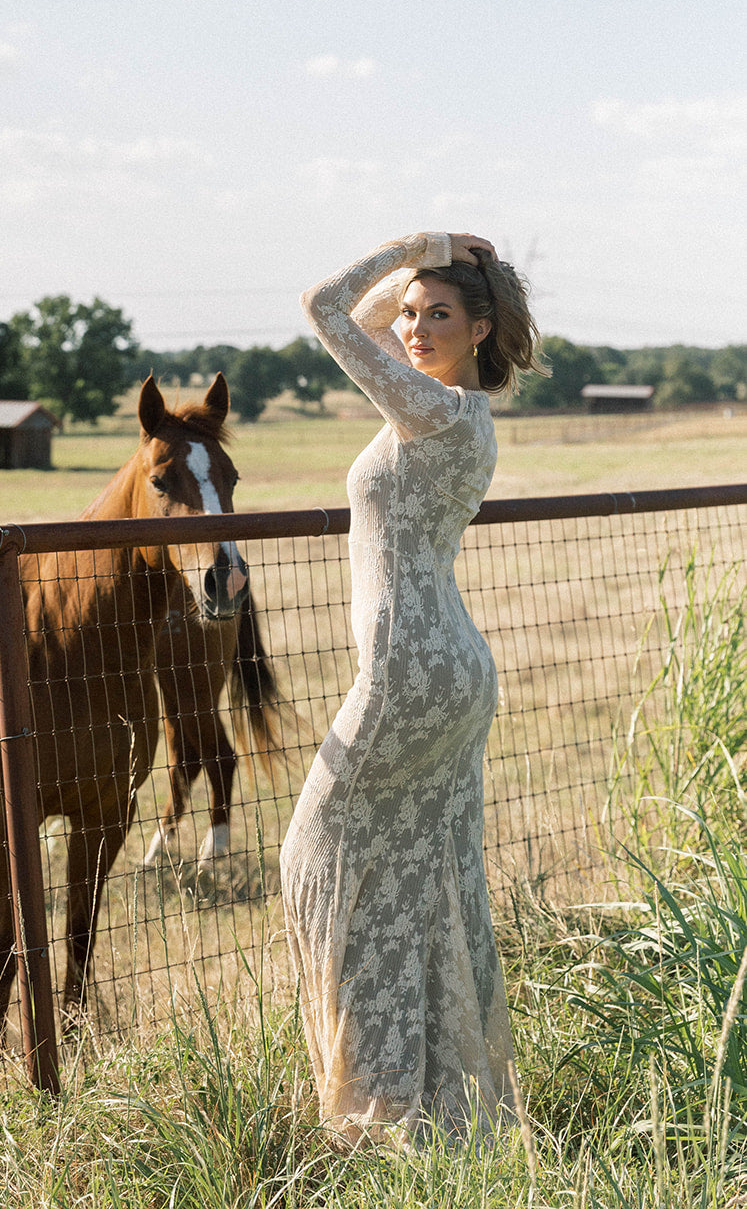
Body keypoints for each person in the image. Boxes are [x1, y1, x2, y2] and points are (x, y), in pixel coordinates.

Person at [279, 231, 546, 1150]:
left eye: (439, 314)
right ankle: (437, 1111)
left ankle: (371, 1113)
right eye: (411, 314)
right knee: (420, 884)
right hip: (449, 669)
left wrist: (413, 243)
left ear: (480, 329)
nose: (415, 326)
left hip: (410, 672)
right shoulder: (446, 408)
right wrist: (414, 280)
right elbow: (359, 317)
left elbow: (322, 305)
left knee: (318, 862)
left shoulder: (433, 410)